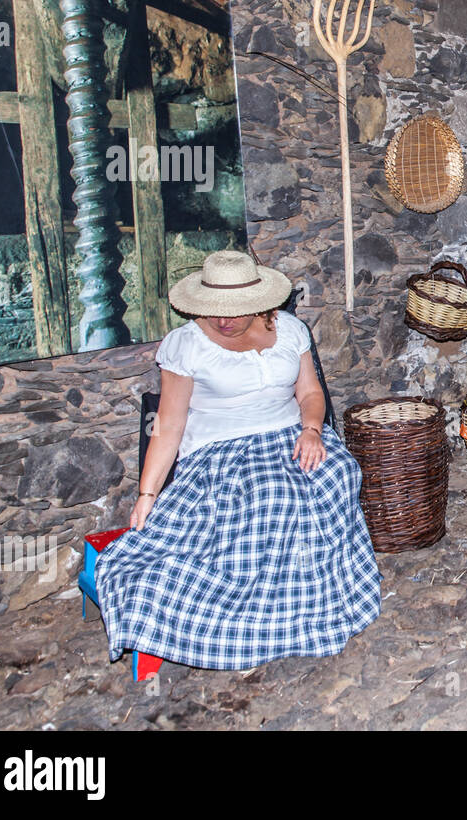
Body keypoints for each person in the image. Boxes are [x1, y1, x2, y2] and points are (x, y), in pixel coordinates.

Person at [95, 249, 381, 670]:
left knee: (338, 470)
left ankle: (320, 597)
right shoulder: (187, 345)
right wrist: (147, 492)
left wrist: (312, 430)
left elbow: (310, 393)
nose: (222, 320)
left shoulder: (290, 331)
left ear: (259, 303)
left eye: (233, 311)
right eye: (214, 311)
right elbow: (169, 425)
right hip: (222, 452)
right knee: (272, 495)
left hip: (292, 434)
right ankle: (254, 615)